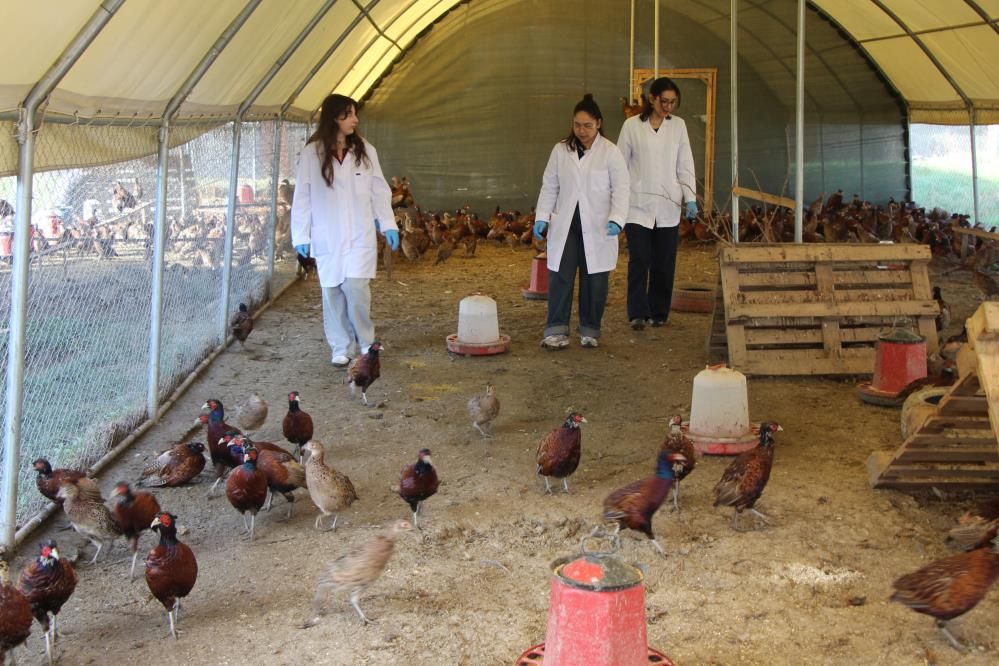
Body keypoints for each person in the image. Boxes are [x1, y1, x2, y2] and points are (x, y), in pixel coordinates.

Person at [291, 93, 400, 367]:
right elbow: (302, 197)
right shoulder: (311, 154)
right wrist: (301, 235)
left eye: (354, 113)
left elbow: (378, 189)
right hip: (327, 235)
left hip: (359, 234)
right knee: (332, 292)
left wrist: (387, 223)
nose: (355, 119)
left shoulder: (365, 150)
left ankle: (366, 341)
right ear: (334, 118)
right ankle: (341, 346)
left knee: (356, 289)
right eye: (348, 114)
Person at [533, 94, 629, 349]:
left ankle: (590, 329)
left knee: (594, 278)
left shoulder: (610, 152)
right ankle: (556, 330)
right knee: (560, 277)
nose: (582, 130)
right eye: (577, 125)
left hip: (598, 226)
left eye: (587, 125)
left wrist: (617, 219)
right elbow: (550, 186)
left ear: (598, 123)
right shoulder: (560, 150)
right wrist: (542, 217)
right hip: (565, 225)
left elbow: (621, 190)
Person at [616, 77, 697, 330]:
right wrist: (617, 203)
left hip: (668, 205)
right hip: (637, 205)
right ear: (652, 98)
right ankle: (637, 312)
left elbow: (685, 165)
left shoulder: (679, 126)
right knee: (640, 259)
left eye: (673, 102)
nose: (669, 107)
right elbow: (619, 166)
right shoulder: (631, 126)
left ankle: (659, 312)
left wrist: (691, 198)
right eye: (664, 101)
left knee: (664, 261)